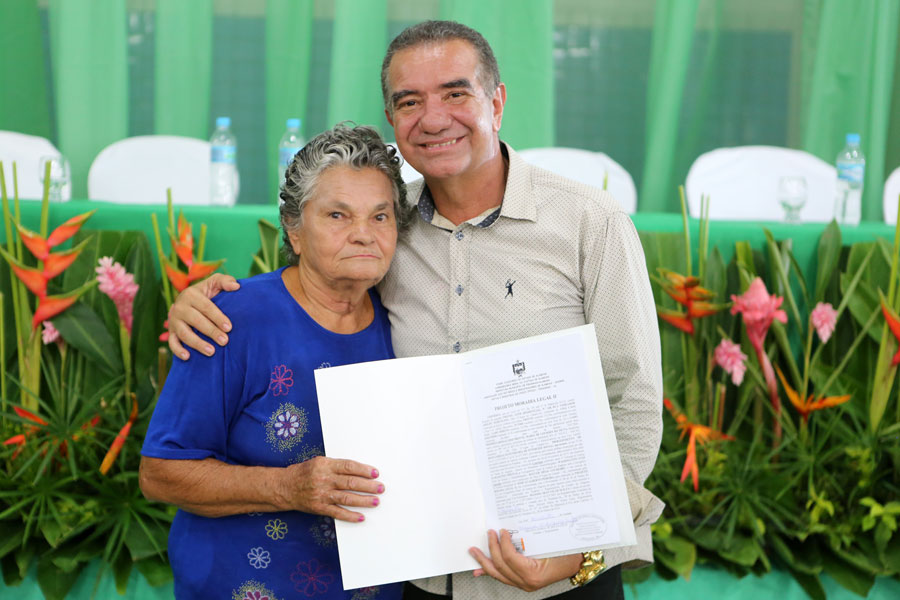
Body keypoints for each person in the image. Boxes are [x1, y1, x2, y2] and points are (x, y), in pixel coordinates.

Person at [165, 20, 664, 600]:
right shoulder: (382, 222)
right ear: (392, 119)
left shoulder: (589, 223)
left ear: (496, 102)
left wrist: (580, 552)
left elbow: (633, 402)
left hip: (557, 575)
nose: (433, 119)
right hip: (420, 575)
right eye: (409, 102)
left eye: (455, 93)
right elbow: (307, 292)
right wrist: (197, 304)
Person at [140, 124, 408, 600]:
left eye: (380, 216)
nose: (363, 234)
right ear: (294, 230)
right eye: (338, 215)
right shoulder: (230, 321)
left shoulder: (407, 321)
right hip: (244, 585)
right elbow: (161, 473)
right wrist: (287, 487)